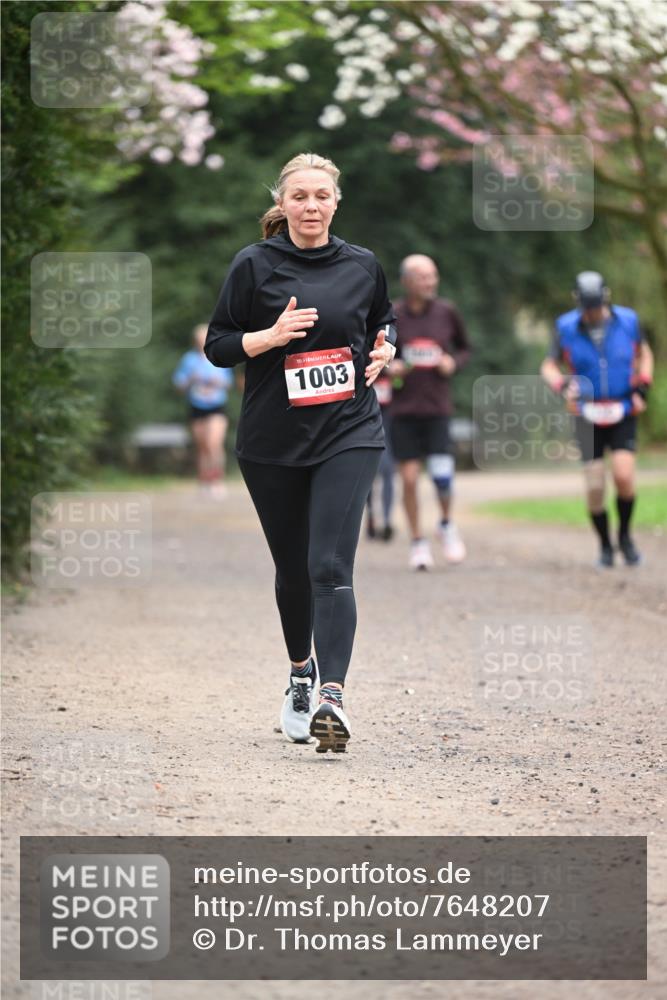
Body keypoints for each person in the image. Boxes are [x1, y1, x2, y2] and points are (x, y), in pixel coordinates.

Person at [204, 153, 397, 753]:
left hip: (350, 429)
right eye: (300, 197)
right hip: (272, 440)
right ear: (282, 204)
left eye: (321, 196)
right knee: (293, 570)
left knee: (331, 567)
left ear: (336, 202)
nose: (311, 206)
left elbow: (384, 324)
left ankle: (332, 697)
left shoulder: (363, 265)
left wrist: (389, 350)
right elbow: (217, 345)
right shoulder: (253, 265)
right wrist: (268, 338)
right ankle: (299, 674)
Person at [540, 271, 653, 567]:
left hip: (622, 408)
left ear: (606, 297)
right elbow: (549, 365)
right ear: (578, 303)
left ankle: (625, 537)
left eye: (596, 307)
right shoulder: (565, 326)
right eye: (587, 309)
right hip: (586, 413)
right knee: (594, 484)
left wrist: (642, 386)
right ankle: (605, 545)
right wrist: (562, 385)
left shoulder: (628, 320)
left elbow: (644, 354)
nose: (592, 314)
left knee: (624, 476)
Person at [387, 254, 471, 570]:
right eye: (423, 277)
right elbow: (378, 355)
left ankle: (447, 525)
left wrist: (454, 362)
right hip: (404, 410)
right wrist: (390, 367)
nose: (430, 282)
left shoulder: (447, 312)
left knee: (442, 478)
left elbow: (464, 348)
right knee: (408, 480)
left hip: (438, 409)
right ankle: (418, 542)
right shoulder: (393, 315)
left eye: (433, 276)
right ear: (407, 281)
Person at [173, 324, 234, 497]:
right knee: (202, 446)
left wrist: (216, 382)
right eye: (199, 338)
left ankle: (217, 479)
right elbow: (179, 385)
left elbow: (228, 383)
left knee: (214, 443)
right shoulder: (189, 359)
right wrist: (191, 379)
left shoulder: (217, 355)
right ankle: (204, 480)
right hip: (197, 405)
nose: (202, 341)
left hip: (217, 405)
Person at [365, 373, 396, 541]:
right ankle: (372, 515)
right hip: (367, 429)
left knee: (388, 473)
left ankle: (386, 519)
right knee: (369, 476)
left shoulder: (393, 372)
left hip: (389, 432)